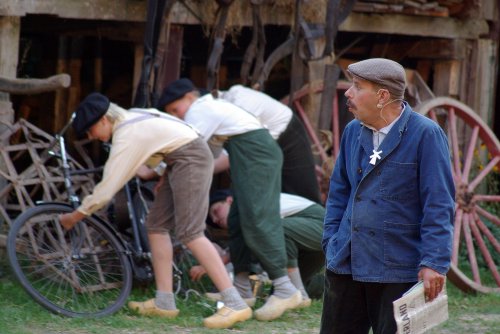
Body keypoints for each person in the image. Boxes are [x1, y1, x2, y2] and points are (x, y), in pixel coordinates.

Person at [58, 93, 251, 329]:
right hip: (179, 158)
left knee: (190, 232)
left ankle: (235, 303)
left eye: (90, 131)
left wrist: (75, 216)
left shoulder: (126, 134)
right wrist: (165, 171)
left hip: (189, 158)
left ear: (103, 121)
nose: (92, 138)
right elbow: (173, 134)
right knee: (156, 225)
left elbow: (106, 190)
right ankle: (164, 302)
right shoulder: (133, 116)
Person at [320, 58, 455, 334]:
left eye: (357, 86)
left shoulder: (426, 135)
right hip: (347, 260)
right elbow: (338, 193)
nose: (348, 92)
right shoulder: (352, 132)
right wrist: (331, 241)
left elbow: (439, 203)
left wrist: (433, 262)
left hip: (398, 266)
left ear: (382, 96)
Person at [157, 78, 302, 321]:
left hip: (256, 154)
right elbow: (207, 154)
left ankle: (286, 288)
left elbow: (187, 147)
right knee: (237, 217)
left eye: (176, 109)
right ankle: (243, 289)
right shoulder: (208, 111)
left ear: (190, 97)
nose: (178, 115)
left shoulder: (201, 108)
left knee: (257, 217)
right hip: (247, 153)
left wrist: (159, 168)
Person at [191, 190, 325, 309]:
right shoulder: (246, 213)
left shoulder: (248, 204)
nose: (215, 219)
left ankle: (300, 294)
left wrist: (212, 264)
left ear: (229, 200)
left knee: (272, 232)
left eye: (215, 211)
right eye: (213, 221)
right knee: (277, 294)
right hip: (310, 245)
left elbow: (258, 235)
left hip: (321, 224)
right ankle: (316, 289)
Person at [218, 85, 321, 203]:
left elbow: (229, 155)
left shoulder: (239, 103)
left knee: (302, 197)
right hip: (262, 146)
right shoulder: (226, 104)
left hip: (286, 134)